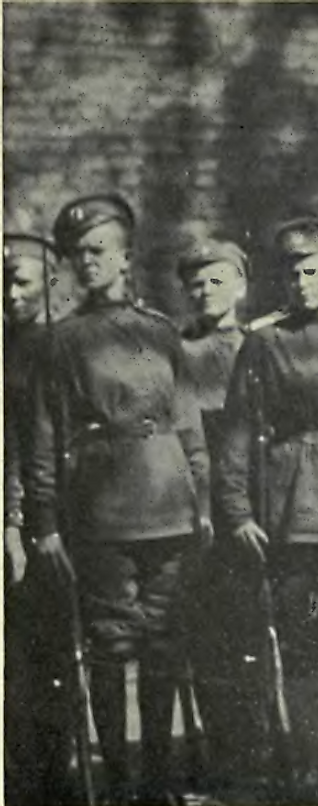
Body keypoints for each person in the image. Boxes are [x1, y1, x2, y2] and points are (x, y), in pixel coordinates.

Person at [27, 194, 213, 806]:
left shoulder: (160, 331)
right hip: (101, 513)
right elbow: (46, 438)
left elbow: (188, 426)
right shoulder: (60, 342)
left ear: (126, 256)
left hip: (170, 505)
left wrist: (202, 502)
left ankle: (158, 778)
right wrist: (47, 521)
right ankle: (119, 782)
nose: (88, 262)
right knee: (110, 645)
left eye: (99, 251)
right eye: (78, 254)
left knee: (164, 642)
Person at [217, 217, 318, 794]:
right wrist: (236, 510)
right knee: (301, 641)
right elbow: (237, 432)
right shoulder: (262, 342)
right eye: (292, 273)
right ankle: (307, 763)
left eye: (313, 270)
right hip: (291, 511)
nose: (302, 282)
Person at [174, 237, 266, 789]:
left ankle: (261, 750)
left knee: (255, 630)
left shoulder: (256, 345)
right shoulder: (175, 351)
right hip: (193, 506)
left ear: (241, 286)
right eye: (196, 283)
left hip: (250, 503)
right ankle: (221, 754)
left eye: (217, 280)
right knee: (206, 635)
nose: (205, 291)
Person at [4, 229, 77, 806]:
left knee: (59, 649)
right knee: (21, 656)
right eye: (5, 282)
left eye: (22, 281)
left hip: (65, 515)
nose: (9, 292)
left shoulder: (63, 347)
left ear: (52, 284)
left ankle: (59, 770)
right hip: (22, 516)